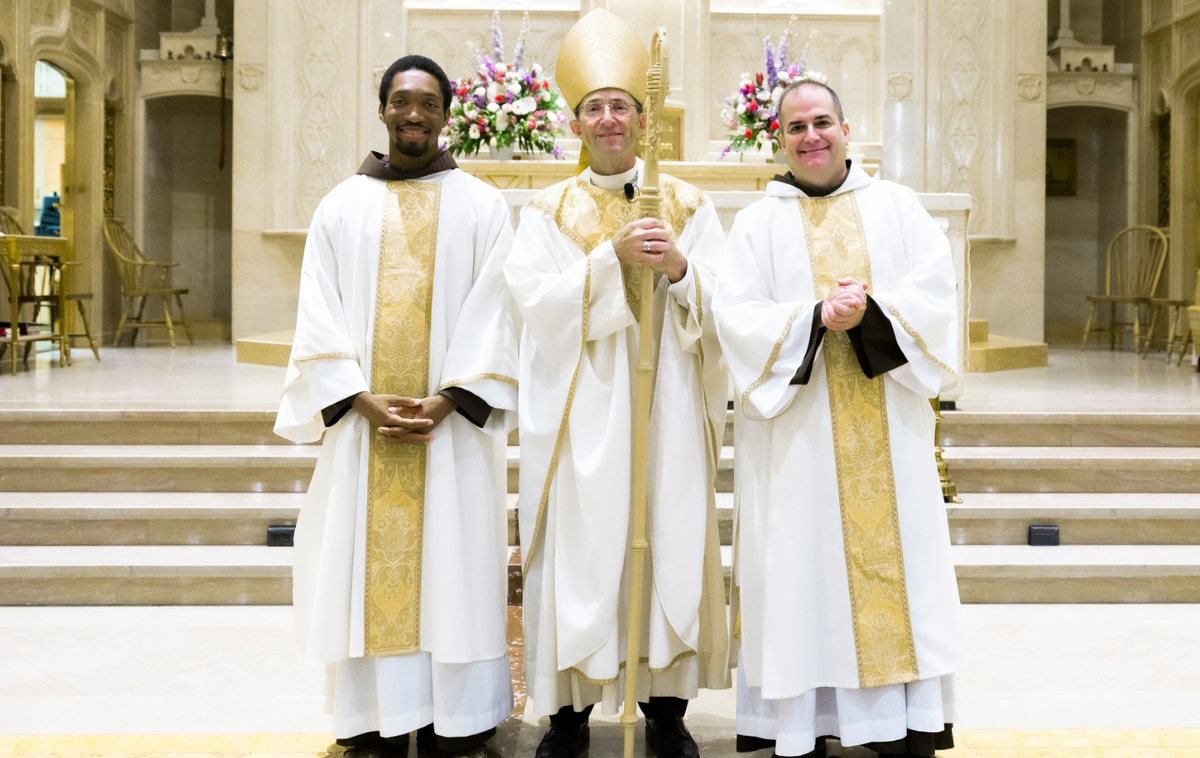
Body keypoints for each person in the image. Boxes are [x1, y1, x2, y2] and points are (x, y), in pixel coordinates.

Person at [713, 79, 967, 758]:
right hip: (796, 445)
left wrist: (874, 312)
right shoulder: (758, 224)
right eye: (795, 127)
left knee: (898, 573)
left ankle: (898, 722)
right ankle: (803, 725)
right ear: (779, 139)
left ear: (848, 129)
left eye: (822, 122)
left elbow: (938, 296)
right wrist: (813, 318)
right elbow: (734, 319)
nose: (811, 137)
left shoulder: (899, 208)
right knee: (802, 574)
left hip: (888, 429)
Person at [274, 54, 518, 758]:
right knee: (359, 572)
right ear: (381, 109)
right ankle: (374, 721)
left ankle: (458, 722)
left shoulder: (482, 205)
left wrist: (449, 400)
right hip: (363, 429)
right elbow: (315, 310)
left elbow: (497, 310)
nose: (415, 114)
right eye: (402, 101)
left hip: (452, 436)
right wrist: (357, 397)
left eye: (429, 103)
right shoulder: (341, 205)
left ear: (448, 115)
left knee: (457, 572)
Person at [503, 9, 730, 758]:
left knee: (666, 536)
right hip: (583, 412)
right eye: (594, 106)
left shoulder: (689, 204)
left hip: (663, 405)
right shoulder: (548, 210)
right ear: (576, 122)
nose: (609, 118)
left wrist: (679, 269)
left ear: (644, 119)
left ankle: (666, 707)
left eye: (621, 105)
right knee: (582, 550)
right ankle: (567, 714)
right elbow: (535, 309)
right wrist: (609, 262)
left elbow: (727, 306)